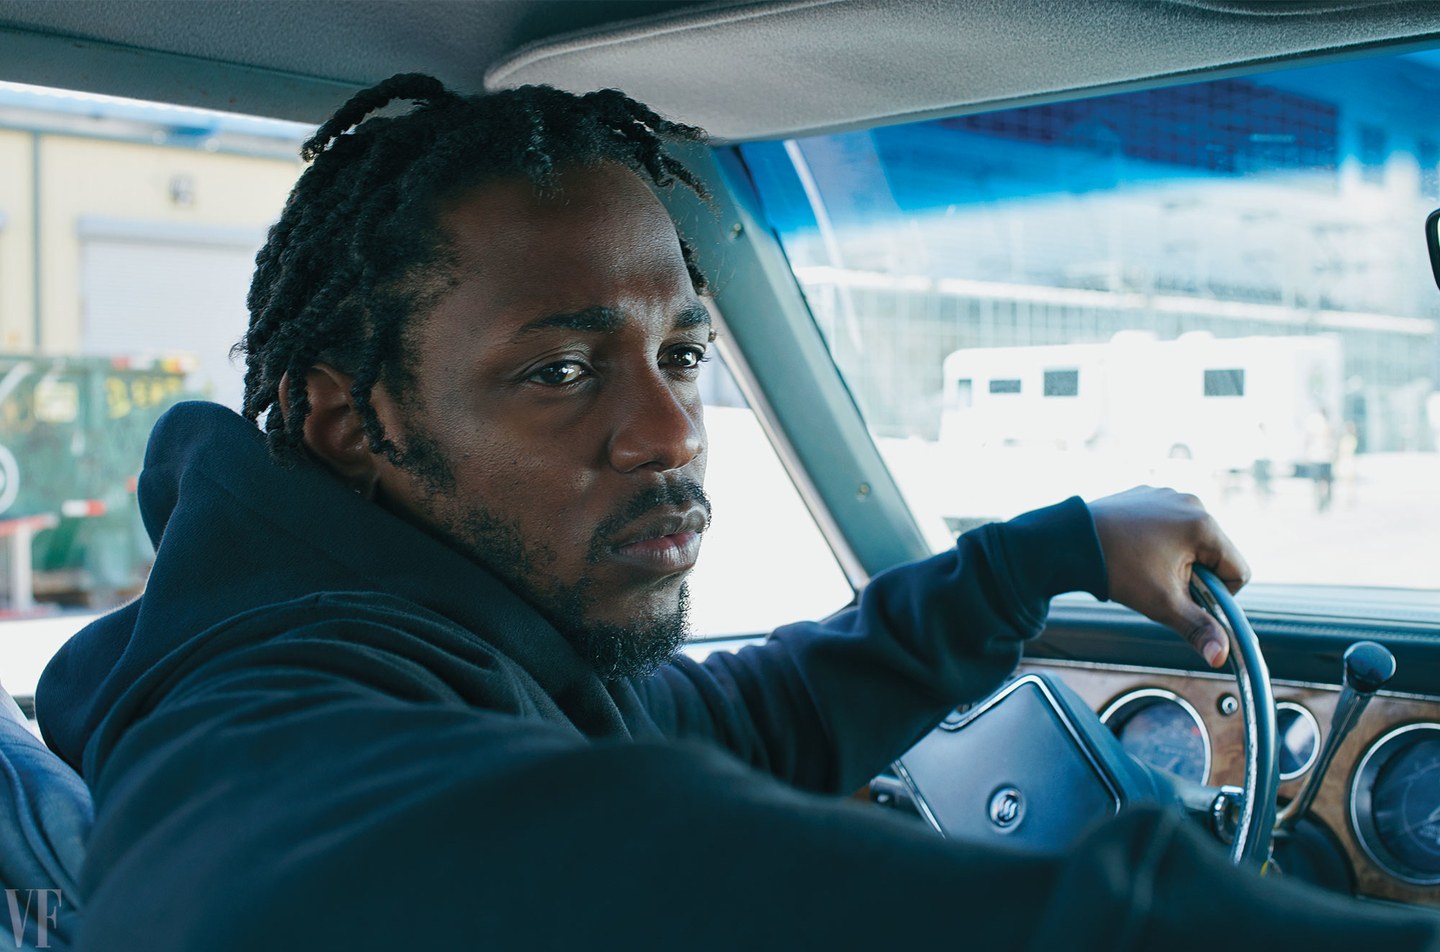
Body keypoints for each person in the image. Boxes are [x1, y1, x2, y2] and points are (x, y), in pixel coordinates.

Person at [28, 75, 1439, 949]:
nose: (670, 428)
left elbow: (751, 715)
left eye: (685, 351)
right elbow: (403, 871)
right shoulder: (259, 717)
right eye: (561, 369)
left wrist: (1055, 551)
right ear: (350, 417)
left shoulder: (487, 634)